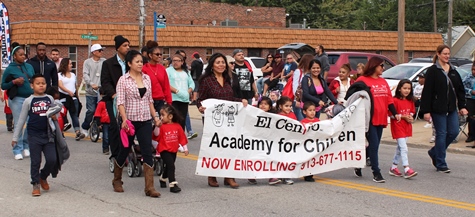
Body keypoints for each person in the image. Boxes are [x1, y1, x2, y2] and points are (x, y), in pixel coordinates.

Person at [114, 50, 161, 197]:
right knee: (124, 150)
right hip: (130, 121)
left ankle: (149, 187)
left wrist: (156, 117)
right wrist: (124, 119)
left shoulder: (146, 78)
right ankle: (117, 180)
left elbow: (150, 100)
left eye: (141, 61)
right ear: (129, 64)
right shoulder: (123, 80)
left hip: (145, 120)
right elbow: (120, 102)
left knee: (147, 151)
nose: (140, 64)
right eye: (137, 61)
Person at [197, 53, 248, 188]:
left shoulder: (228, 79)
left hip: (229, 119)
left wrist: (241, 101)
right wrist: (200, 107)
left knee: (229, 146)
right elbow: (199, 99)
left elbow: (230, 99)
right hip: (213, 119)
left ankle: (229, 176)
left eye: (223, 62)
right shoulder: (206, 80)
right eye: (218, 62)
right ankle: (212, 175)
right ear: (212, 65)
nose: (221, 65)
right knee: (215, 146)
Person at [11, 74, 61, 196]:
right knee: (35, 161)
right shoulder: (29, 101)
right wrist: (15, 138)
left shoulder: (49, 98)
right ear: (32, 86)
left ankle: (42, 176)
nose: (41, 85)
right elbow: (21, 120)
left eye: (43, 83)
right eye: (38, 84)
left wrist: (55, 116)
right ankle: (35, 184)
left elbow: (56, 113)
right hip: (34, 136)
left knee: (52, 159)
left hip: (48, 135)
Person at [421, 45, 468, 173]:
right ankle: (441, 162)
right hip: (438, 108)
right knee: (441, 134)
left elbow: (460, 90)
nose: (447, 56)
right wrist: (426, 111)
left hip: (451, 108)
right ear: (438, 54)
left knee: (453, 132)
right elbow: (427, 91)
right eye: (444, 54)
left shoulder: (453, 70)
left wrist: (462, 106)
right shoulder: (433, 71)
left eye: (448, 53)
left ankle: (434, 151)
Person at [355, 56, 400, 183]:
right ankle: (376, 172)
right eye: (381, 65)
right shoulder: (362, 80)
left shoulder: (383, 81)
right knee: (374, 145)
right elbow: (354, 97)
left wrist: (395, 113)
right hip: (368, 118)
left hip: (381, 117)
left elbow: (389, 99)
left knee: (373, 146)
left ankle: (358, 164)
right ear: (374, 66)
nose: (383, 68)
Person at [1, 43, 34, 160]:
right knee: (19, 123)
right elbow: (3, 85)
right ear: (14, 56)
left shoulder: (29, 67)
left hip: (30, 97)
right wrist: (14, 82)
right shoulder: (10, 69)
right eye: (20, 55)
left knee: (31, 123)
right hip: (17, 99)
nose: (23, 56)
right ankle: (17, 149)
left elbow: (33, 78)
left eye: (23, 54)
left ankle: (26, 145)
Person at [101, 35, 130, 160]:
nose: (127, 48)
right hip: (113, 99)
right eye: (124, 45)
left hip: (129, 100)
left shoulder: (130, 63)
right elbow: (105, 81)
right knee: (115, 126)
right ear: (118, 48)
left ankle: (127, 152)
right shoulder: (108, 63)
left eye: (128, 45)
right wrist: (114, 95)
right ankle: (116, 154)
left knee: (128, 126)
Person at [155, 104, 189, 193]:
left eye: (163, 115)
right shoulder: (161, 126)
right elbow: (156, 135)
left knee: (169, 166)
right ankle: (173, 184)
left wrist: (185, 148)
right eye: (160, 115)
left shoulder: (177, 126)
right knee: (171, 166)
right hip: (164, 149)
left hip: (173, 149)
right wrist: (156, 126)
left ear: (170, 116)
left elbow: (182, 137)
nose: (161, 117)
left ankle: (162, 179)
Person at [389, 79, 418, 179]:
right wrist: (402, 117)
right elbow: (391, 115)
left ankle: (393, 167)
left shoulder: (410, 101)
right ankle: (406, 168)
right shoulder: (394, 100)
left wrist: (410, 117)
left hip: (406, 127)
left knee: (400, 148)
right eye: (404, 88)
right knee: (404, 148)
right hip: (398, 126)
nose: (407, 90)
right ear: (399, 89)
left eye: (409, 88)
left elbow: (412, 112)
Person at [81, 44, 106, 136]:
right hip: (91, 91)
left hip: (101, 92)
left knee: (98, 112)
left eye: (101, 50)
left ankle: (95, 130)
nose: (101, 52)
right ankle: (85, 126)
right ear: (94, 52)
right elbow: (85, 74)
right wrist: (91, 84)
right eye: (99, 51)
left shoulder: (104, 61)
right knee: (91, 110)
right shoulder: (87, 62)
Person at [57, 58, 85, 141]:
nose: (71, 65)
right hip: (63, 97)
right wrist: (68, 91)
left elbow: (75, 86)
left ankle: (77, 132)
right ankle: (61, 132)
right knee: (62, 116)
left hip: (73, 98)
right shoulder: (59, 75)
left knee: (74, 115)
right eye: (70, 64)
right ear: (65, 65)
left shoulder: (73, 75)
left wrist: (77, 96)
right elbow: (60, 85)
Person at [142, 42, 172, 113]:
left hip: (161, 102)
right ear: (150, 55)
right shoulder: (144, 68)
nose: (159, 56)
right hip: (148, 101)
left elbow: (166, 86)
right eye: (157, 54)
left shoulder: (162, 68)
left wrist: (169, 102)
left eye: (160, 54)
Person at [167, 54, 195, 130]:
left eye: (178, 61)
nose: (175, 62)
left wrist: (188, 92)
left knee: (182, 120)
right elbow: (166, 84)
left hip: (184, 100)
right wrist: (177, 91)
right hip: (174, 99)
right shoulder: (168, 71)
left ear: (182, 62)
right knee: (174, 120)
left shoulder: (186, 72)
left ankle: (180, 138)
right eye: (174, 61)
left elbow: (192, 83)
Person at [275, 96, 296, 185]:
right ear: (280, 106)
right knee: (280, 159)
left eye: (290, 106)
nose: (289, 108)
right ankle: (279, 175)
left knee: (288, 159)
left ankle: (287, 176)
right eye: (286, 106)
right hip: (280, 142)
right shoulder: (277, 116)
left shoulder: (292, 115)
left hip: (290, 141)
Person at [300, 101, 320, 181]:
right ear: (305, 111)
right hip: (306, 145)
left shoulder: (318, 121)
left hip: (315, 144)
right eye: (310, 110)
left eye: (314, 110)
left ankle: (310, 173)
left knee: (313, 159)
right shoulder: (303, 122)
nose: (312, 112)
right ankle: (307, 174)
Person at [292, 54, 314, 121]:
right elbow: (295, 86)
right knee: (301, 120)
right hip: (299, 100)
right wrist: (298, 99)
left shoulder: (311, 74)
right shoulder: (298, 72)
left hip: (308, 101)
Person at [462, 62, 475, 143]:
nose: (474, 71)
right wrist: (471, 91)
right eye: (473, 70)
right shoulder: (468, 78)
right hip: (471, 99)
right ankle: (471, 135)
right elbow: (463, 87)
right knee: (471, 118)